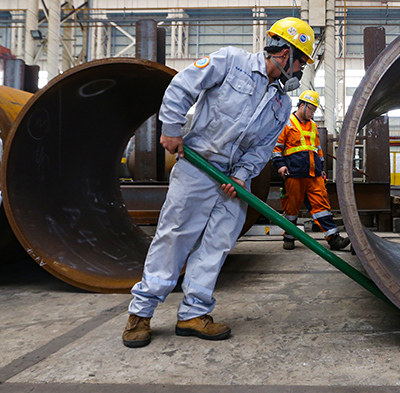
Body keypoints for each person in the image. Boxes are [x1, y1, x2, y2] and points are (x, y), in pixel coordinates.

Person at [122, 17, 315, 348]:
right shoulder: (231, 62)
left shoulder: (281, 103)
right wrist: (171, 128)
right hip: (198, 167)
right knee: (174, 237)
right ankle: (141, 312)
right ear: (286, 54)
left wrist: (241, 176)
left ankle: (193, 314)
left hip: (232, 182)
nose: (300, 70)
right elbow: (183, 85)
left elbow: (262, 147)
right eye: (301, 62)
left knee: (217, 244)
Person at [272, 90, 351, 251]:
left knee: (322, 205)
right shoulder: (287, 123)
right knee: (291, 208)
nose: (313, 113)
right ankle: (289, 238)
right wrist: (280, 165)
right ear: (302, 105)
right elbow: (276, 148)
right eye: (312, 109)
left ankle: (333, 238)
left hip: (314, 175)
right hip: (294, 173)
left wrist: (321, 169)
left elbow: (317, 150)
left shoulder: (313, 126)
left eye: (315, 110)